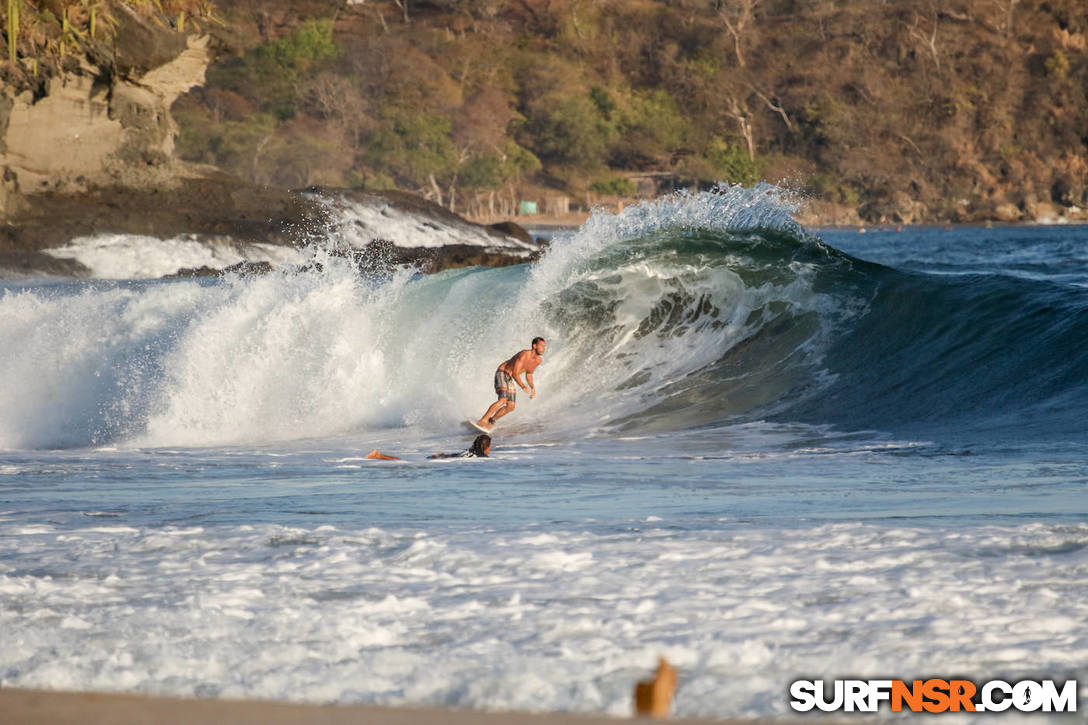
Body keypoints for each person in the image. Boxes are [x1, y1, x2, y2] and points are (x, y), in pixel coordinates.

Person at [475, 337, 546, 431]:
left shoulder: (538, 360)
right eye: (541, 346)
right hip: (503, 372)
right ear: (534, 346)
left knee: (511, 406)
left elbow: (529, 374)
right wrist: (523, 386)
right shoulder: (524, 354)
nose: (544, 348)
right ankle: (483, 420)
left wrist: (532, 387)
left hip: (510, 378)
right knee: (503, 400)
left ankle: (491, 421)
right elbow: (515, 373)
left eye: (545, 346)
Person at [365, 434, 491, 461]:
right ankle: (378, 455)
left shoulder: (470, 452)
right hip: (440, 460)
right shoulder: (478, 457)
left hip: (441, 457)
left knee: (406, 461)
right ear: (486, 447)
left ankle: (379, 455)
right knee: (405, 462)